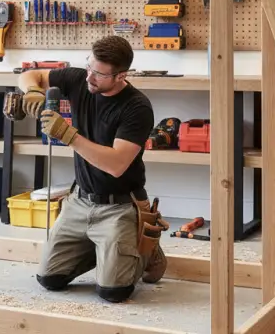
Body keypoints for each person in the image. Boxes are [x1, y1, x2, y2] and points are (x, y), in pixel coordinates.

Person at [17, 35, 169, 303]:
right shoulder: (80, 79)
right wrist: (31, 91)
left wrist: (67, 135)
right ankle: (103, 248)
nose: (89, 78)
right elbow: (32, 75)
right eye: (89, 67)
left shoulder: (137, 107)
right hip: (80, 201)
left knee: (113, 292)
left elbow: (116, 164)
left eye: (99, 75)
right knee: (49, 279)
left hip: (119, 206)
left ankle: (148, 249)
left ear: (121, 76)